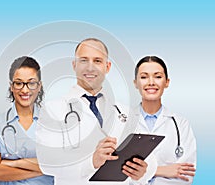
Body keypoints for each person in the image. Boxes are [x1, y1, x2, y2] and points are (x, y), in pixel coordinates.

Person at [36, 38, 157, 185]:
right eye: (84, 60)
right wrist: (91, 163)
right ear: (74, 65)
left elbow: (150, 159)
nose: (90, 68)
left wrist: (143, 172)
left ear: (107, 67)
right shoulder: (53, 109)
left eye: (97, 61)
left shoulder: (125, 112)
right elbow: (47, 163)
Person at [0, 56, 54, 185]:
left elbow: (59, 164)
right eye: (19, 83)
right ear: (11, 86)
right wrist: (42, 169)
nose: (25, 90)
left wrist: (15, 163)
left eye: (31, 83)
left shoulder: (53, 122)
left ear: (39, 86)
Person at [132, 56, 196, 184]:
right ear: (135, 83)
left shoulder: (181, 124)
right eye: (144, 77)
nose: (151, 82)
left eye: (158, 76)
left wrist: (142, 173)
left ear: (167, 82)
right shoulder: (122, 122)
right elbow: (117, 176)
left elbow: (186, 176)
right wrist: (160, 170)